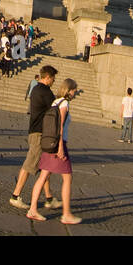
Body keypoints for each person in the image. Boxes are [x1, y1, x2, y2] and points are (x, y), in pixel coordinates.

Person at [27, 77, 81, 225]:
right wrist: (61, 148)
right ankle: (66, 214)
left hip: (49, 144)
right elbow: (60, 127)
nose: (75, 93)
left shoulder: (55, 102)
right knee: (67, 178)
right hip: (58, 144)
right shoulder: (64, 104)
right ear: (69, 90)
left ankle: (32, 209)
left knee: (43, 176)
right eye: (74, 90)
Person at [9, 64, 59, 212]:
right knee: (30, 164)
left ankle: (49, 198)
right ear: (48, 77)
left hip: (34, 131)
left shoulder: (36, 89)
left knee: (45, 166)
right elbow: (55, 109)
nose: (54, 81)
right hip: (39, 133)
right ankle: (15, 195)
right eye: (53, 79)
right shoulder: (46, 92)